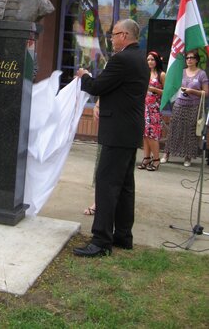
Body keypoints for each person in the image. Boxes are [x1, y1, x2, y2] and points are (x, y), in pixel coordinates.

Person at [73, 19, 149, 257]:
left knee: (106, 184)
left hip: (118, 132)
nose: (111, 39)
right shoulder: (140, 59)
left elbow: (97, 86)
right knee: (125, 186)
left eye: (114, 34)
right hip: (129, 131)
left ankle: (101, 240)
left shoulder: (122, 59)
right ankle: (123, 236)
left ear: (124, 35)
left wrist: (84, 76)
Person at [161, 49, 209, 167]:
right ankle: (166, 154)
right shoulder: (181, 72)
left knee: (190, 131)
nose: (189, 60)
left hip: (193, 106)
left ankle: (188, 157)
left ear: (196, 60)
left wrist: (193, 91)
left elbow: (206, 93)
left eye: (192, 58)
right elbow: (172, 85)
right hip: (179, 104)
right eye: (187, 58)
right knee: (174, 129)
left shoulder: (201, 74)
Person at [137, 51, 166, 172]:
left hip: (154, 108)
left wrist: (154, 89)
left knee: (152, 135)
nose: (150, 62)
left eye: (152, 59)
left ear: (157, 61)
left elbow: (167, 93)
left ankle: (156, 159)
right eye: (148, 59)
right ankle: (146, 157)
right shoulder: (145, 73)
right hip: (144, 107)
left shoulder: (162, 74)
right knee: (145, 134)